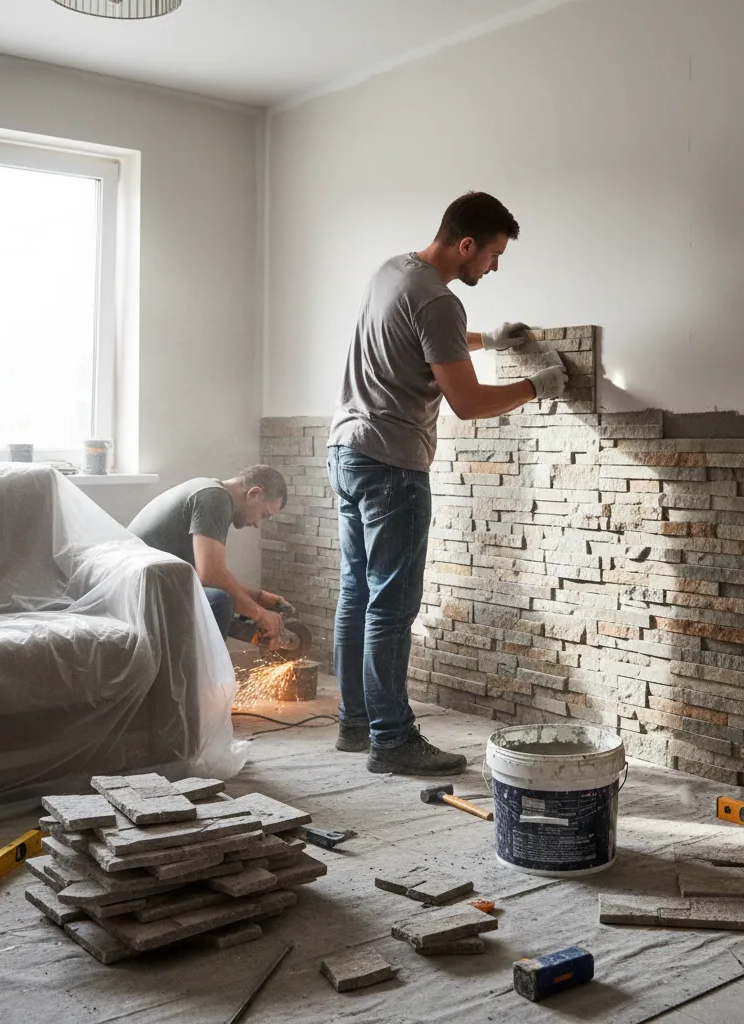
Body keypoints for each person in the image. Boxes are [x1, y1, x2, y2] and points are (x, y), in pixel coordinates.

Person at [327, 191, 568, 776]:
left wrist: (491, 340)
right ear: (466, 245)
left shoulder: (393, 271)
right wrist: (539, 385)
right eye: (493, 255)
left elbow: (422, 343)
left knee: (357, 594)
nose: (494, 266)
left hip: (346, 451)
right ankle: (393, 740)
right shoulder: (439, 301)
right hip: (392, 464)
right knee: (392, 605)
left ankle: (357, 724)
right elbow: (466, 401)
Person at [128, 465, 288, 644]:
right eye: (264, 515)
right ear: (254, 493)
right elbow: (211, 577)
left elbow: (205, 576)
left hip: (143, 581)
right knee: (219, 602)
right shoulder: (215, 499)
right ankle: (203, 673)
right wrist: (259, 614)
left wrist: (257, 597)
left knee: (222, 600)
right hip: (137, 587)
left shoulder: (208, 489)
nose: (258, 524)